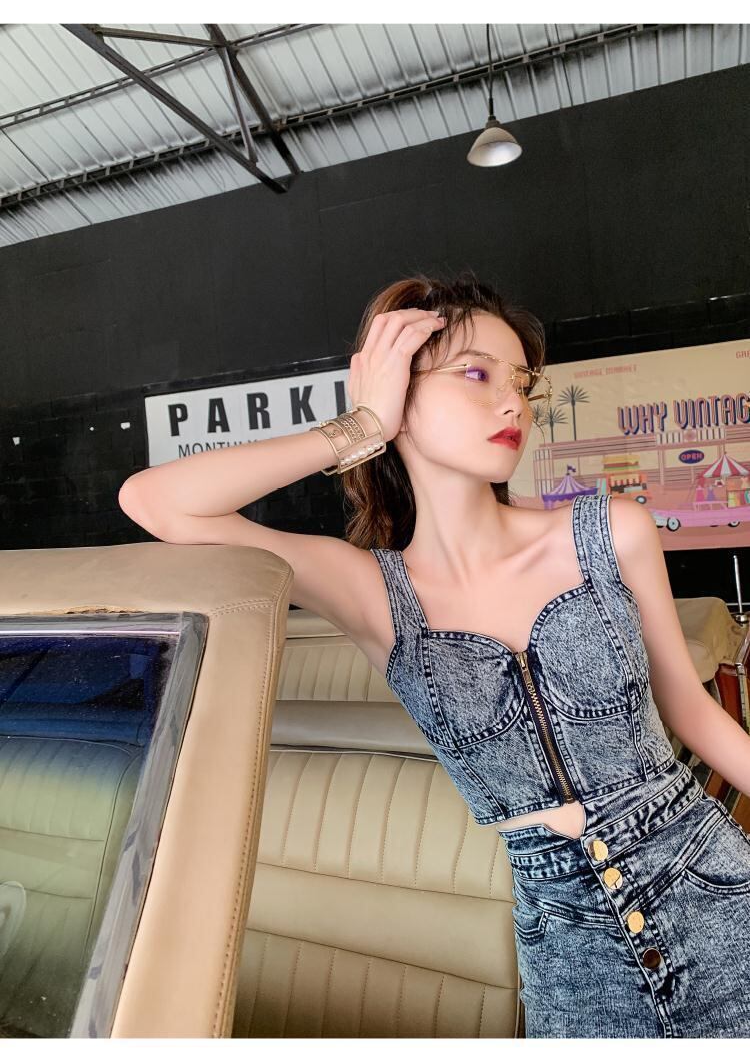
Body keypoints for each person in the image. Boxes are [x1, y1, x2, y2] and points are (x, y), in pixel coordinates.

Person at [119, 272, 750, 1037]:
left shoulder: (610, 531)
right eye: (476, 374)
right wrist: (360, 424)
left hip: (711, 883)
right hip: (567, 946)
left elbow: (691, 712)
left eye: (521, 381)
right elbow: (155, 502)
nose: (513, 402)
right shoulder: (373, 593)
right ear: (399, 393)